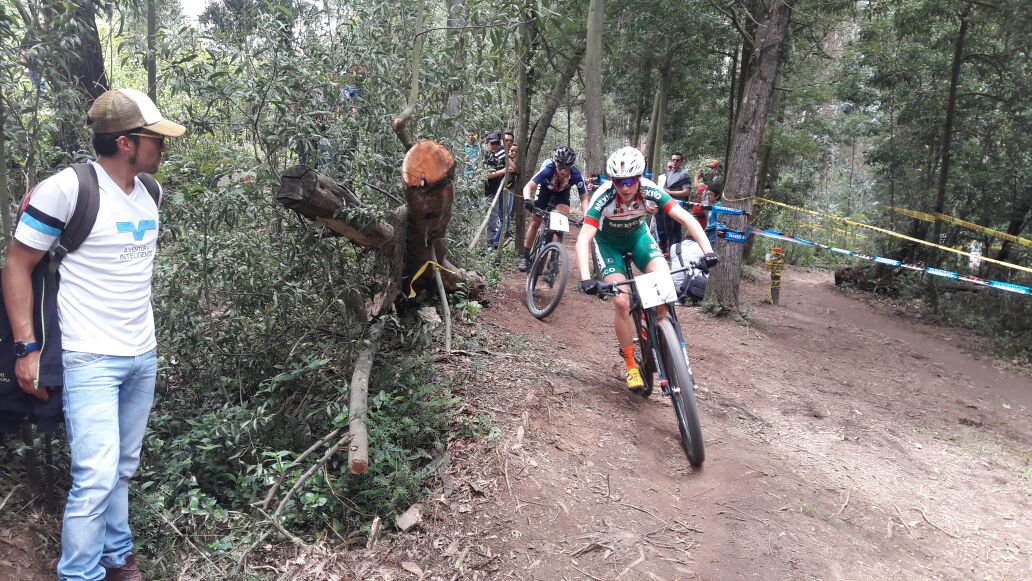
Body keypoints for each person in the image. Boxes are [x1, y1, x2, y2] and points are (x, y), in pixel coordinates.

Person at [2, 88, 184, 581]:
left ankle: (116, 555)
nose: (162, 149)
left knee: (123, 467)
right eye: (155, 140)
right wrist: (27, 348)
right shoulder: (65, 189)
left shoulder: (151, 191)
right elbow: (17, 266)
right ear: (126, 143)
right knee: (96, 476)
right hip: (89, 358)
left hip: (141, 354)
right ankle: (78, 573)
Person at [575, 147, 718, 392]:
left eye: (630, 180)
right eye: (618, 181)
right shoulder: (603, 197)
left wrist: (708, 252)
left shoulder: (650, 190)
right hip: (608, 245)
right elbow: (583, 239)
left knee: (662, 285)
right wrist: (586, 278)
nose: (625, 187)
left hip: (638, 238)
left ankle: (659, 328)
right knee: (621, 301)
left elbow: (687, 219)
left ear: (639, 178)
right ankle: (631, 364)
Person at [518, 146, 587, 271]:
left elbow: (584, 198)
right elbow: (527, 187)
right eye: (560, 167)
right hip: (545, 191)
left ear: (571, 166)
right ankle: (525, 257)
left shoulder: (576, 175)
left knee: (560, 223)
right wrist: (527, 200)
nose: (563, 171)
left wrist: (586, 215)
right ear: (555, 163)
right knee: (536, 221)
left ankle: (554, 258)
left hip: (562, 194)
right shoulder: (548, 169)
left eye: (567, 168)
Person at [655, 152, 694, 253]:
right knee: (663, 228)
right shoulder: (669, 173)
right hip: (666, 205)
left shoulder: (684, 174)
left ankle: (675, 253)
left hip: (676, 206)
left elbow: (686, 192)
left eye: (677, 160)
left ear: (681, 162)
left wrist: (670, 192)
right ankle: (663, 251)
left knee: (674, 230)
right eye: (673, 160)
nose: (675, 162)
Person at [489, 144, 519, 248]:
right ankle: (495, 242)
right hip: (503, 191)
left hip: (510, 190)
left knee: (507, 216)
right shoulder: (502, 160)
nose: (513, 153)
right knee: (503, 218)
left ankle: (500, 239)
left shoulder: (512, 161)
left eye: (515, 151)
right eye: (511, 150)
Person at [482, 131, 507, 247]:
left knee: (495, 219)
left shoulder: (498, 155)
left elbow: (511, 167)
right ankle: (488, 246)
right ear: (487, 143)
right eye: (492, 144)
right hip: (488, 192)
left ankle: (491, 244)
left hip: (498, 190)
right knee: (491, 220)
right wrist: (502, 171)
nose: (495, 145)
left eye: (497, 143)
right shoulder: (484, 156)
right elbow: (485, 175)